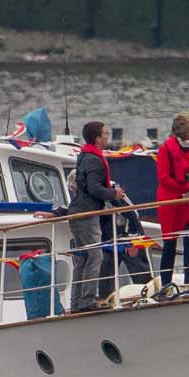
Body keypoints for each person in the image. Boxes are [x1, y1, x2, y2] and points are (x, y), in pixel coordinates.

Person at [66, 120, 129, 311]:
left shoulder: (84, 156)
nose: (108, 137)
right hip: (87, 213)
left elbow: (85, 185)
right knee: (94, 256)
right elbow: (93, 188)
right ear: (98, 138)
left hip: (76, 211)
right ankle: (86, 301)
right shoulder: (94, 160)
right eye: (105, 134)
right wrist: (113, 194)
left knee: (82, 258)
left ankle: (76, 301)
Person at [154, 114, 189, 293]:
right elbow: (164, 177)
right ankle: (166, 285)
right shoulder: (166, 149)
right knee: (169, 244)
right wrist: (184, 188)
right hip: (172, 201)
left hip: (188, 201)